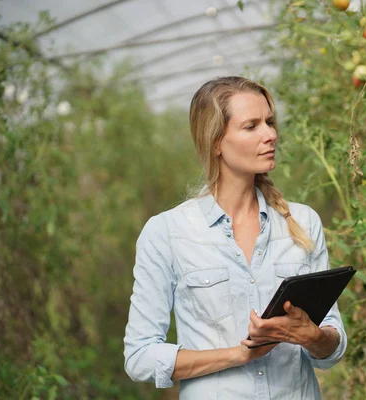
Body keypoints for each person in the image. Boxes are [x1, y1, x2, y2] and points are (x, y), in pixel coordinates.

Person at [123, 76, 348, 399]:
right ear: (215, 141)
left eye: (269, 122)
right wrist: (238, 354)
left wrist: (311, 336)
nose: (270, 135)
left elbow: (332, 347)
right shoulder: (167, 233)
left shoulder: (303, 223)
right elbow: (140, 357)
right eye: (251, 126)